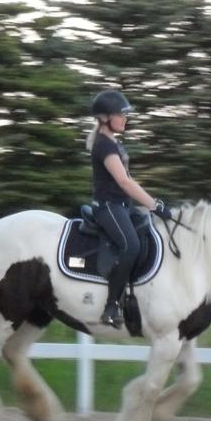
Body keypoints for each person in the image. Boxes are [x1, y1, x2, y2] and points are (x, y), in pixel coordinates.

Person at [86, 89, 172, 328]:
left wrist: (152, 205)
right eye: (120, 115)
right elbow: (124, 182)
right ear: (105, 118)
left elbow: (128, 180)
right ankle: (111, 306)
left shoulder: (113, 142)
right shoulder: (105, 146)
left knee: (148, 232)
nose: (125, 119)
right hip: (108, 207)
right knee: (131, 245)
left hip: (122, 205)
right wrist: (154, 205)